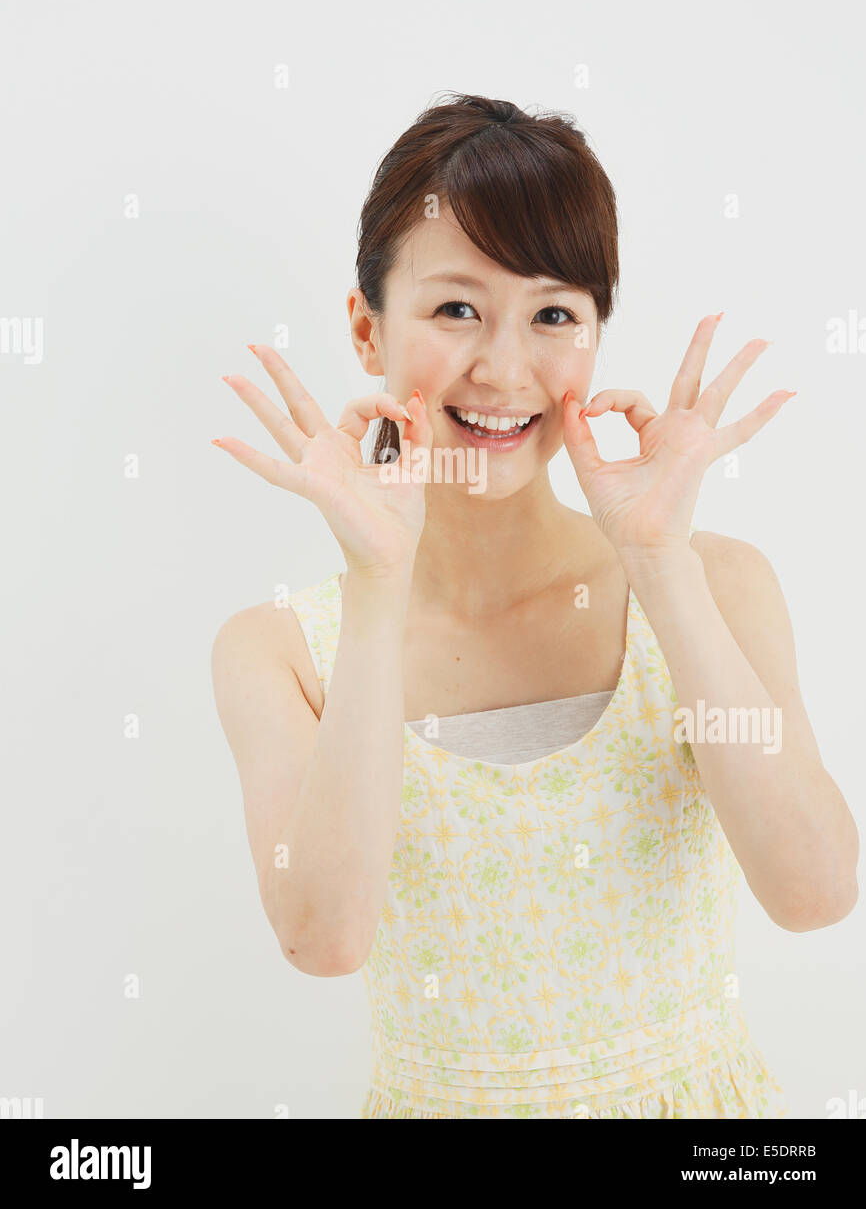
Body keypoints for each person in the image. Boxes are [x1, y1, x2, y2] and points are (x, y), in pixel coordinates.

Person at [210, 93, 858, 1119]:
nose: (502, 368)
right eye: (455, 308)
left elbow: (814, 891)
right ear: (364, 328)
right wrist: (378, 591)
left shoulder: (714, 580)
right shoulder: (279, 650)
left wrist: (657, 563)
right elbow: (324, 938)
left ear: (594, 339)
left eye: (552, 313)